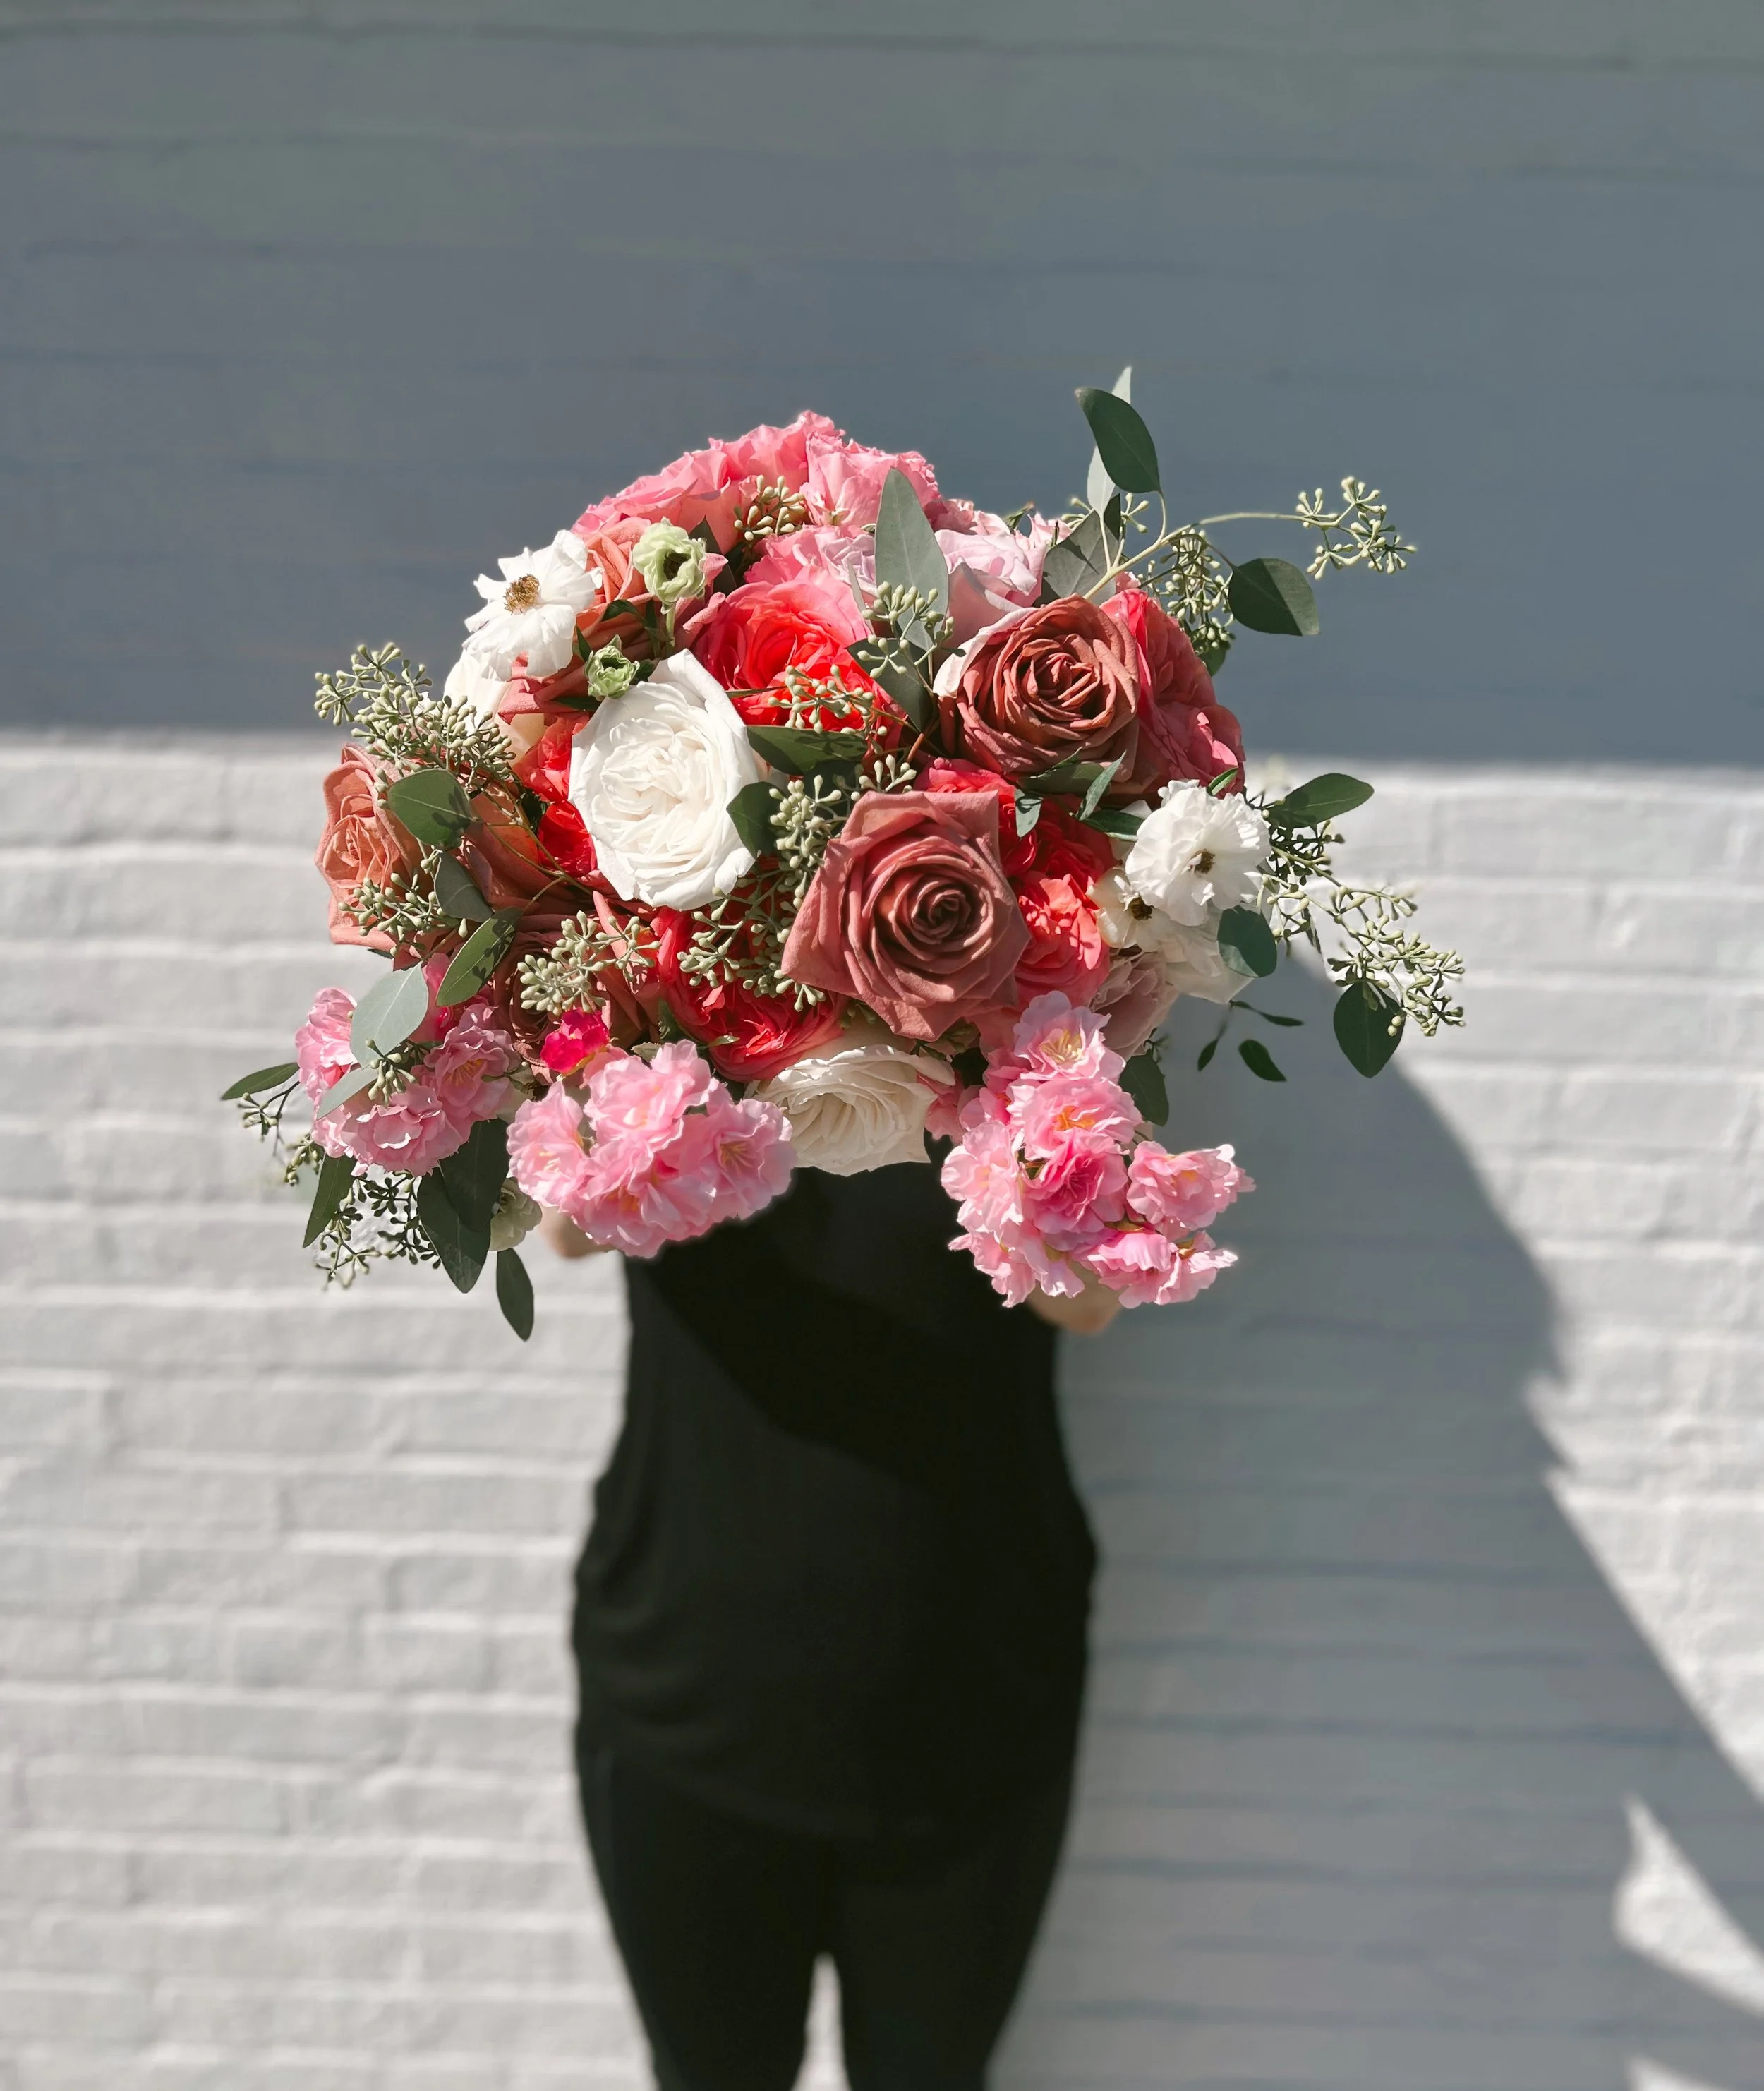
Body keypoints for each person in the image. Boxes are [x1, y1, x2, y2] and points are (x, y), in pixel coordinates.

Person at [543, 1156, 1118, 2091]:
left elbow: (1092, 1299)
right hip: (689, 1685)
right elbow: (568, 1226)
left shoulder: (1049, 1022)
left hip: (969, 1690)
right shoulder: (671, 1012)